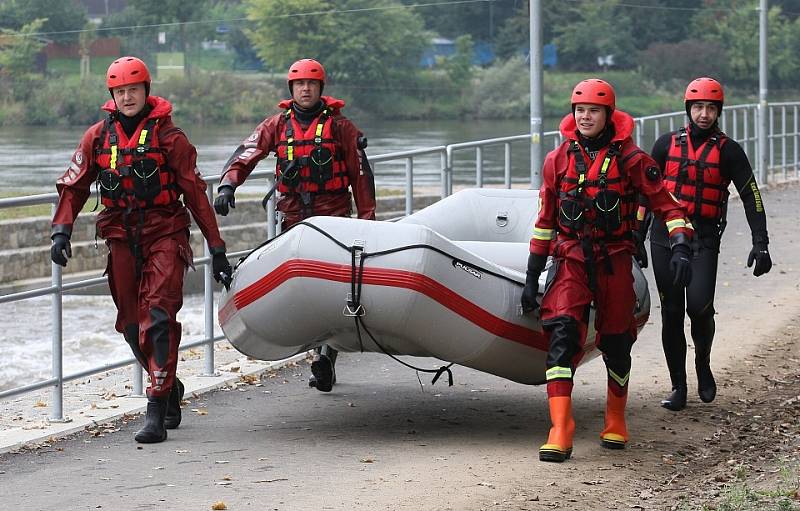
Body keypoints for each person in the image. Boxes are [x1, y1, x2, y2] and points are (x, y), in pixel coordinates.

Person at [50, 56, 233, 444]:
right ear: (111, 96)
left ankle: (154, 410)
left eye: (134, 89)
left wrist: (216, 248)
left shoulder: (171, 139)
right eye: (120, 91)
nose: (127, 96)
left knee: (159, 316)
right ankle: (169, 387)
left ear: (147, 91)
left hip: (165, 232)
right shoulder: (97, 137)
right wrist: (61, 232)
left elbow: (196, 196)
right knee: (133, 329)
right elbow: (75, 185)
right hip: (120, 237)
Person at [521, 79, 694, 463]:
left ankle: (615, 415)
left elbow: (667, 205)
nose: (585, 116)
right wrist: (533, 274)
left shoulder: (633, 160)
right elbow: (545, 220)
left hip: (614, 258)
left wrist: (681, 244)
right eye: (579, 110)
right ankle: (560, 427)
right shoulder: (557, 160)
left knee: (617, 342)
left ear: (608, 115)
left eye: (593, 111)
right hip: (569, 260)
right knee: (562, 336)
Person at [213, 58, 376, 393]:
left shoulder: (341, 128)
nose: (305, 89)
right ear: (291, 89)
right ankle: (318, 350)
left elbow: (361, 176)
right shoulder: (277, 125)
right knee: (300, 291)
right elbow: (247, 153)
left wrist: (368, 222)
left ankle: (325, 354)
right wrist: (228, 184)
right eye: (300, 84)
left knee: (330, 289)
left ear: (320, 89)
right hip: (292, 222)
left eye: (311, 84)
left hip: (333, 222)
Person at [644, 77, 772, 412]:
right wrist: (633, 236)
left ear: (718, 112)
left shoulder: (729, 150)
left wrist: (761, 243)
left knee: (699, 308)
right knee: (671, 312)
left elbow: (752, 197)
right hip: (664, 236)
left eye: (711, 108)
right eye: (698, 107)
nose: (704, 114)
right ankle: (678, 386)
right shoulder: (664, 145)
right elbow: (645, 193)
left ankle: (702, 362)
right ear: (688, 109)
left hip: (703, 236)